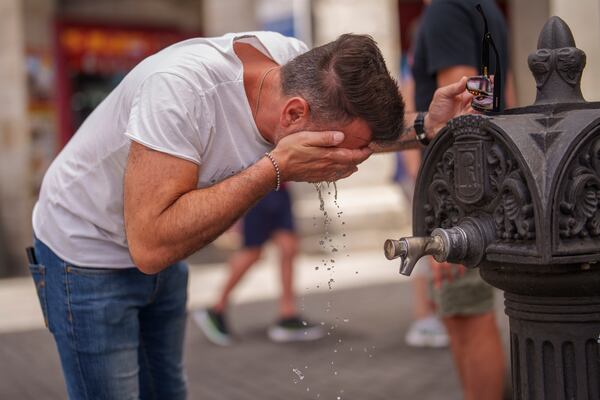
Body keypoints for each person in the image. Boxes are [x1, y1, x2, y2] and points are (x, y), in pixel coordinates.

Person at [28, 30, 471, 399]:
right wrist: (274, 170)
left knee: (166, 390)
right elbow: (149, 244)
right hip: (83, 251)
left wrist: (422, 129)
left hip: (163, 247)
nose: (345, 161)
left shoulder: (298, 71)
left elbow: (357, 133)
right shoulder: (181, 92)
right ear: (294, 113)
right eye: (333, 147)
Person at [411, 1, 514, 398]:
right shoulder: (483, 7)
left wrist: (455, 213)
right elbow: (504, 98)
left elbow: (461, 113)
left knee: (466, 315)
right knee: (466, 311)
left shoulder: (446, 11)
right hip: (483, 183)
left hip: (459, 195)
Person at [195, 186, 324, 345]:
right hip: (256, 189)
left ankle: (288, 315)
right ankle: (216, 309)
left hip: (280, 188)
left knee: (288, 247)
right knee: (252, 252)